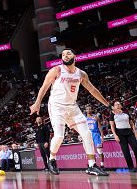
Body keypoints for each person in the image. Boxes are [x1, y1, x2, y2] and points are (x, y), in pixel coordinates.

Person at [29, 48, 109, 176]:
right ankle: (52, 159)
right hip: (56, 106)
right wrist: (37, 102)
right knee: (59, 135)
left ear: (74, 56)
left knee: (87, 133)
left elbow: (93, 90)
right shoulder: (56, 70)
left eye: (68, 53)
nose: (65, 56)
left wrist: (108, 104)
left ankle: (91, 165)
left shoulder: (81, 74)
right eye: (63, 54)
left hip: (72, 107)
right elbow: (44, 87)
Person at [108, 101, 137, 172]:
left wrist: (135, 132)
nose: (117, 105)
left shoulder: (126, 112)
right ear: (114, 106)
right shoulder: (112, 114)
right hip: (120, 134)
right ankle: (131, 167)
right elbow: (112, 126)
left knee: (136, 149)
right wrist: (115, 135)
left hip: (130, 133)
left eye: (119, 104)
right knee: (126, 151)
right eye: (115, 105)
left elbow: (132, 123)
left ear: (121, 106)